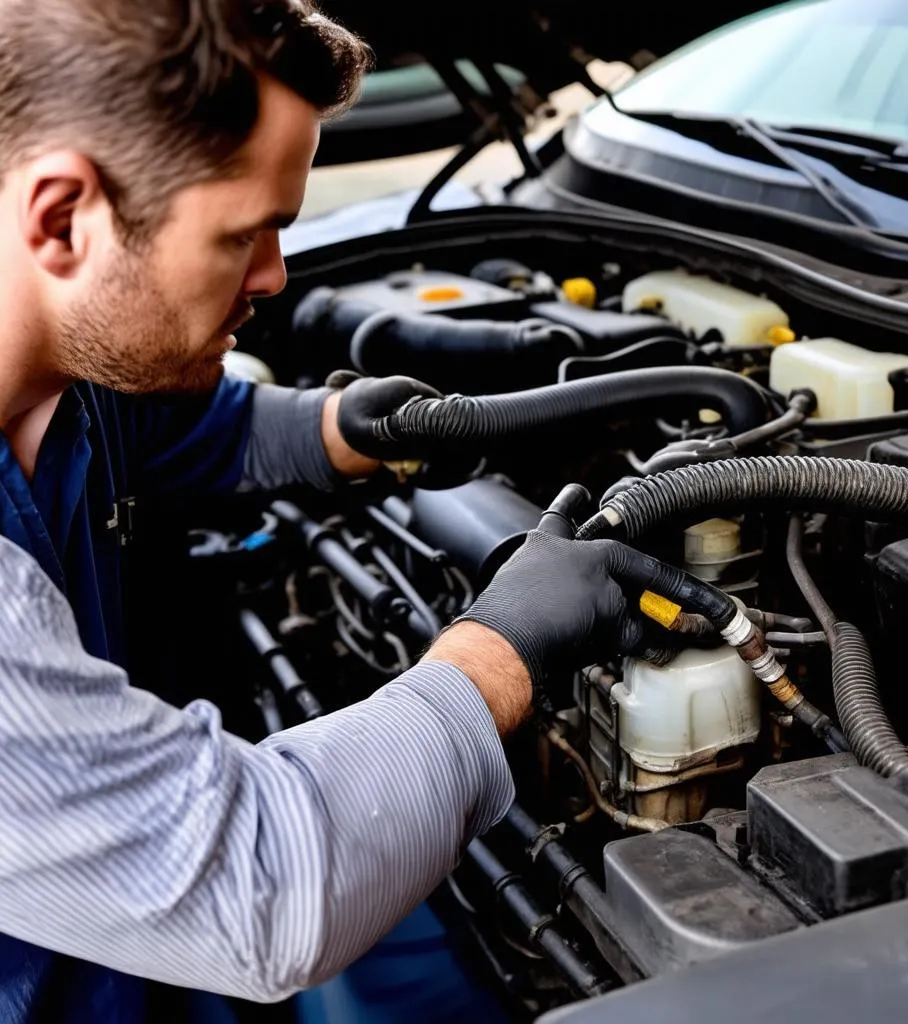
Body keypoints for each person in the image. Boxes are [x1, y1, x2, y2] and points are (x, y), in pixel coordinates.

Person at [0, 1, 667, 1021]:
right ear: (61, 218)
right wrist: (504, 645)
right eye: (247, 234)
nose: (273, 277)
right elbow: (256, 889)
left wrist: (353, 426)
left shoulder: (58, 370)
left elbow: (182, 429)